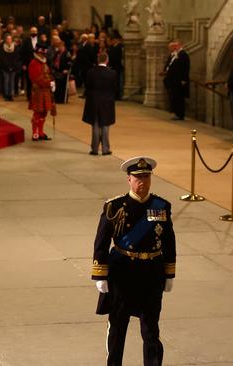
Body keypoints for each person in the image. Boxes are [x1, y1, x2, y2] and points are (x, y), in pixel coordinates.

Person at [91, 156, 176, 366]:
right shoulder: (115, 207)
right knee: (118, 327)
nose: (142, 182)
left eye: (146, 177)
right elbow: (101, 242)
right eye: (138, 177)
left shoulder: (161, 206)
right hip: (123, 273)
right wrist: (100, 274)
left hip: (151, 273)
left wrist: (169, 273)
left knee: (151, 329)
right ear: (129, 179)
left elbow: (169, 241)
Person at [83, 52, 116, 155]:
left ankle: (95, 149)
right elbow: (115, 88)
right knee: (105, 124)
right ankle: (106, 149)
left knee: (95, 125)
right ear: (107, 60)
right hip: (107, 101)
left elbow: (87, 87)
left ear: (98, 60)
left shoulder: (91, 72)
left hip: (93, 101)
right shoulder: (112, 73)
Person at [28, 42, 55, 141]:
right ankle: (35, 133)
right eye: (42, 53)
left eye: (44, 54)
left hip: (45, 91)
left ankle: (41, 132)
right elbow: (37, 79)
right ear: (37, 53)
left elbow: (47, 74)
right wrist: (49, 83)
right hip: (38, 91)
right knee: (37, 113)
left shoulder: (44, 63)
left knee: (44, 113)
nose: (43, 55)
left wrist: (52, 81)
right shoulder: (33, 63)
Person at [163, 40, 190, 120]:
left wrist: (184, 79)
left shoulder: (183, 55)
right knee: (174, 97)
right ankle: (175, 113)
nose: (171, 48)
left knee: (179, 98)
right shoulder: (174, 55)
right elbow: (169, 65)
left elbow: (185, 68)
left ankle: (180, 114)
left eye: (173, 47)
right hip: (172, 80)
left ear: (178, 46)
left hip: (179, 80)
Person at [0, 34, 19, 101]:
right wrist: (7, 66)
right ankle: (6, 95)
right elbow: (2, 58)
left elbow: (16, 57)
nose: (9, 40)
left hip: (13, 67)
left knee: (12, 82)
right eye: (7, 39)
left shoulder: (15, 47)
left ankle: (11, 95)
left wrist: (12, 66)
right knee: (6, 81)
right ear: (5, 40)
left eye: (10, 39)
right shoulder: (2, 47)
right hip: (5, 67)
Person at [50, 36, 71, 103]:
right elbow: (53, 61)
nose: (59, 48)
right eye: (58, 46)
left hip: (63, 71)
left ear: (63, 46)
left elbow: (69, 62)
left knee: (62, 86)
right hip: (57, 71)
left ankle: (62, 99)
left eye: (60, 46)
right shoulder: (57, 53)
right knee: (56, 85)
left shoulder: (67, 53)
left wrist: (67, 69)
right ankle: (57, 98)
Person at [20, 26, 37, 101]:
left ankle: (36, 95)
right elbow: (22, 52)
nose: (34, 33)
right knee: (29, 79)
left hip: (37, 63)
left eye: (35, 31)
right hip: (28, 63)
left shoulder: (39, 40)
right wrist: (23, 64)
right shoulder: (26, 40)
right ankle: (29, 96)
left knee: (37, 79)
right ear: (30, 32)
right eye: (32, 31)